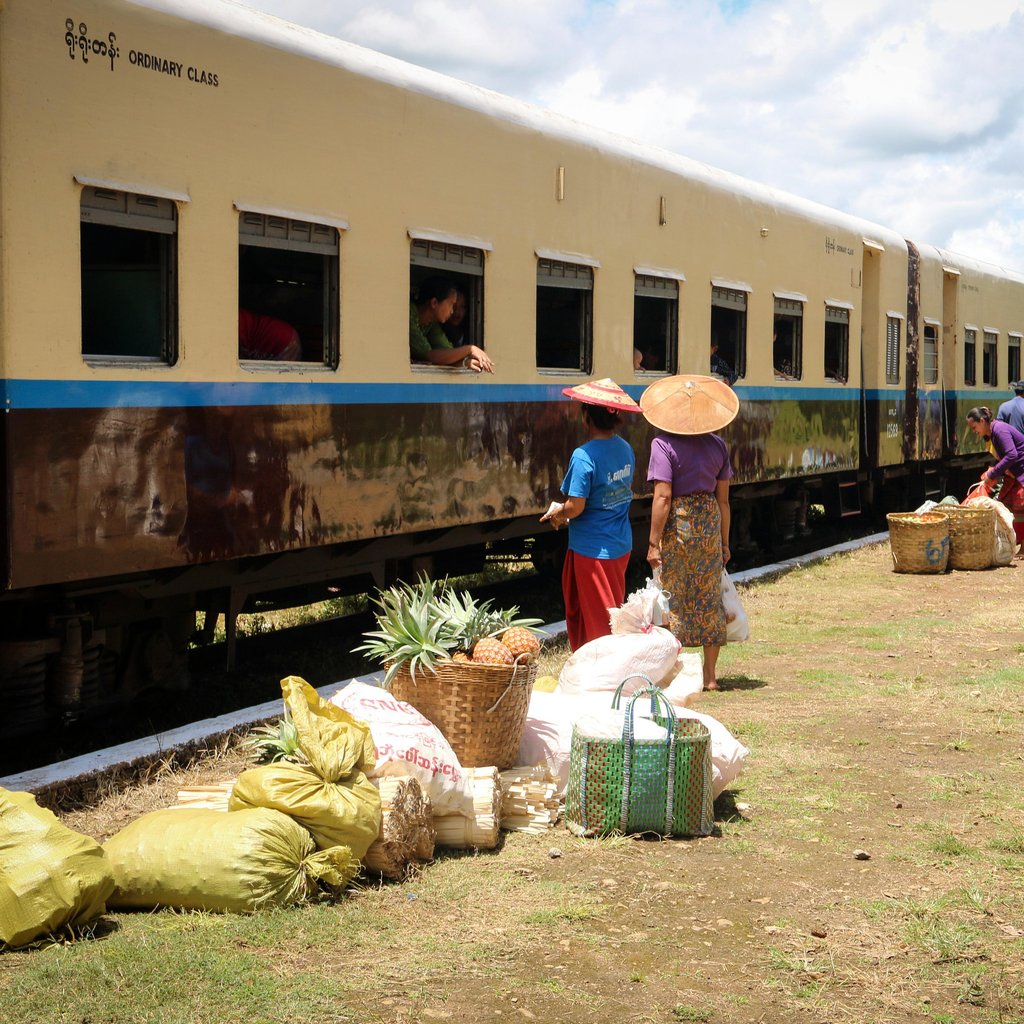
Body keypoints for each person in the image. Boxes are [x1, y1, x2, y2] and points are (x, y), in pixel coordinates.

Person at [642, 374, 739, 691]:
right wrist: (724, 543)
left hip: (679, 527)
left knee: (673, 599)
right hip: (709, 523)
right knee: (710, 597)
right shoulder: (718, 445)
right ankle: (710, 677)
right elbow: (723, 501)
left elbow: (663, 497)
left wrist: (654, 542)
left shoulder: (662, 444)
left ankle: (674, 672)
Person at [540, 378, 641, 651]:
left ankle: (605, 678)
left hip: (593, 550)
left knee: (599, 622)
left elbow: (576, 506)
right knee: (609, 612)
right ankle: (592, 671)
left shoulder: (583, 456)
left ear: (586, 417)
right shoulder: (625, 448)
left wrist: (558, 514)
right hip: (619, 545)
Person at [410, 276, 493, 373]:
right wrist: (470, 349)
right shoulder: (409, 315)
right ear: (434, 303)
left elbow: (445, 351)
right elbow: (430, 355)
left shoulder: (431, 324)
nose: (453, 311)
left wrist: (464, 362)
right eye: (451, 304)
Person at [966, 407, 1024, 541]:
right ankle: (1011, 541)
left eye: (974, 427)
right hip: (1014, 472)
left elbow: (1012, 455)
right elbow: (1003, 456)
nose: (974, 432)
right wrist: (994, 468)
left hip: (1021, 471)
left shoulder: (999, 430)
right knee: (1004, 504)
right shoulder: (992, 434)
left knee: (1019, 505)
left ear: (981, 421)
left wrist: (992, 474)